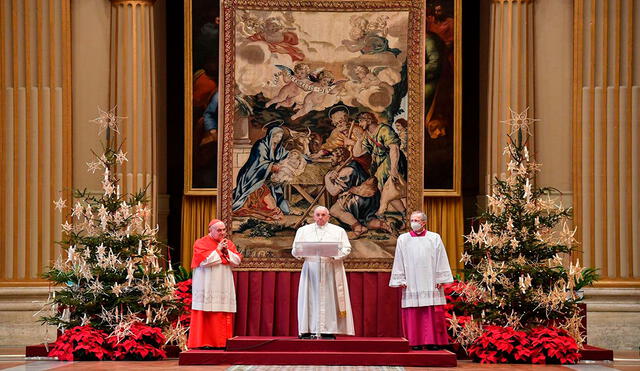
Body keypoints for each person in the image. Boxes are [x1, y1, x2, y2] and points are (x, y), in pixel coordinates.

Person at [389, 211, 453, 350]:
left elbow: (441, 257)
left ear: (423, 222)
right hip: (411, 280)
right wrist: (401, 278)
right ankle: (415, 342)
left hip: (430, 280)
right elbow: (399, 259)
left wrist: (440, 278)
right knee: (414, 312)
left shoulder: (434, 238)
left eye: (417, 220)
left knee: (430, 312)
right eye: (412, 220)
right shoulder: (403, 239)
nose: (413, 222)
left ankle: (432, 342)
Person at [291, 206, 355, 339]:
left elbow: (347, 248)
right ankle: (307, 329)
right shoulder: (303, 231)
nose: (320, 217)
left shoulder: (338, 231)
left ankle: (327, 330)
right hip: (311, 269)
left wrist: (335, 256)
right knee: (309, 299)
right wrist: (299, 253)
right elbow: (295, 249)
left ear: (328, 216)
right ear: (313, 216)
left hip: (330, 268)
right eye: (318, 215)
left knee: (329, 299)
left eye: (323, 215)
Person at [188, 219, 243, 349]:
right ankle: (203, 342)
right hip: (206, 283)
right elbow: (204, 262)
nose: (222, 233)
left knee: (221, 311)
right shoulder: (200, 243)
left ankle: (221, 342)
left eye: (224, 230)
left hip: (223, 283)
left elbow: (236, 261)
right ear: (210, 230)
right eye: (219, 230)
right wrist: (218, 250)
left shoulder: (228, 244)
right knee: (205, 312)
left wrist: (226, 251)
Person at [232, 126, 290, 220]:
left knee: (273, 204)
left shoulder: (278, 148)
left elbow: (286, 155)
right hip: (253, 176)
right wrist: (271, 166)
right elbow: (259, 162)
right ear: (271, 135)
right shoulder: (261, 145)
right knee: (269, 207)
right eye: (276, 136)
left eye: (280, 137)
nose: (278, 139)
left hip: (266, 176)